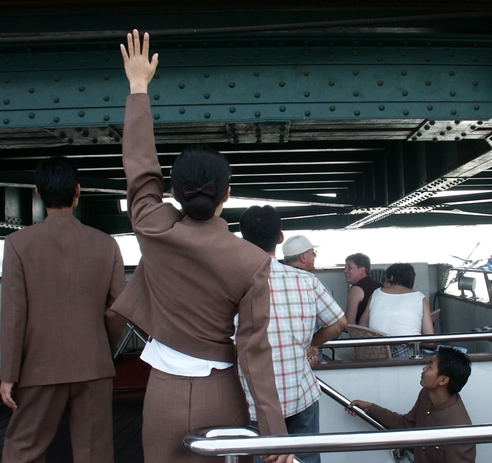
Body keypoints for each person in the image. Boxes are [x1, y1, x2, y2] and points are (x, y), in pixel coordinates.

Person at [113, 30, 291, 463]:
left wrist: (138, 89)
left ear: (173, 192)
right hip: (221, 394)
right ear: (226, 196)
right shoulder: (251, 262)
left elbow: (140, 169)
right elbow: (254, 353)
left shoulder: (154, 227)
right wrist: (273, 436)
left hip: (162, 393)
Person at [1, 156, 126, 463]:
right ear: (78, 191)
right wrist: (101, 346)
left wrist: (8, 373)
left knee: (23, 449)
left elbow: (14, 315)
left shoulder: (18, 244)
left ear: (39, 193)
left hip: (37, 368)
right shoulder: (106, 244)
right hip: (93, 366)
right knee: (94, 453)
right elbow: (118, 310)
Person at [239, 205, 347, 463]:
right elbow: (339, 322)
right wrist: (309, 343)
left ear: (243, 239)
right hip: (299, 393)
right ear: (280, 237)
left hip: (252, 399)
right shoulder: (305, 280)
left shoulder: (233, 282)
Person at [348, 346, 475, 463]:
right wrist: (370, 408)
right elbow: (406, 424)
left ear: (443, 380)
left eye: (430, 366)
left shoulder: (458, 428)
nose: (424, 369)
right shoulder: (426, 394)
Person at [359, 263, 434, 357]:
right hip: (408, 354)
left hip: (376, 352)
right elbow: (429, 339)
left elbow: (362, 325)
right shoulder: (420, 298)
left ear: (391, 278)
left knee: (342, 353)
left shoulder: (376, 293)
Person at [344, 253, 381, 325]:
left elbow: (348, 323)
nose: (345, 271)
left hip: (364, 333)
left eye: (349, 267)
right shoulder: (380, 287)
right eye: (345, 268)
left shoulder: (356, 289)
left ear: (362, 270)